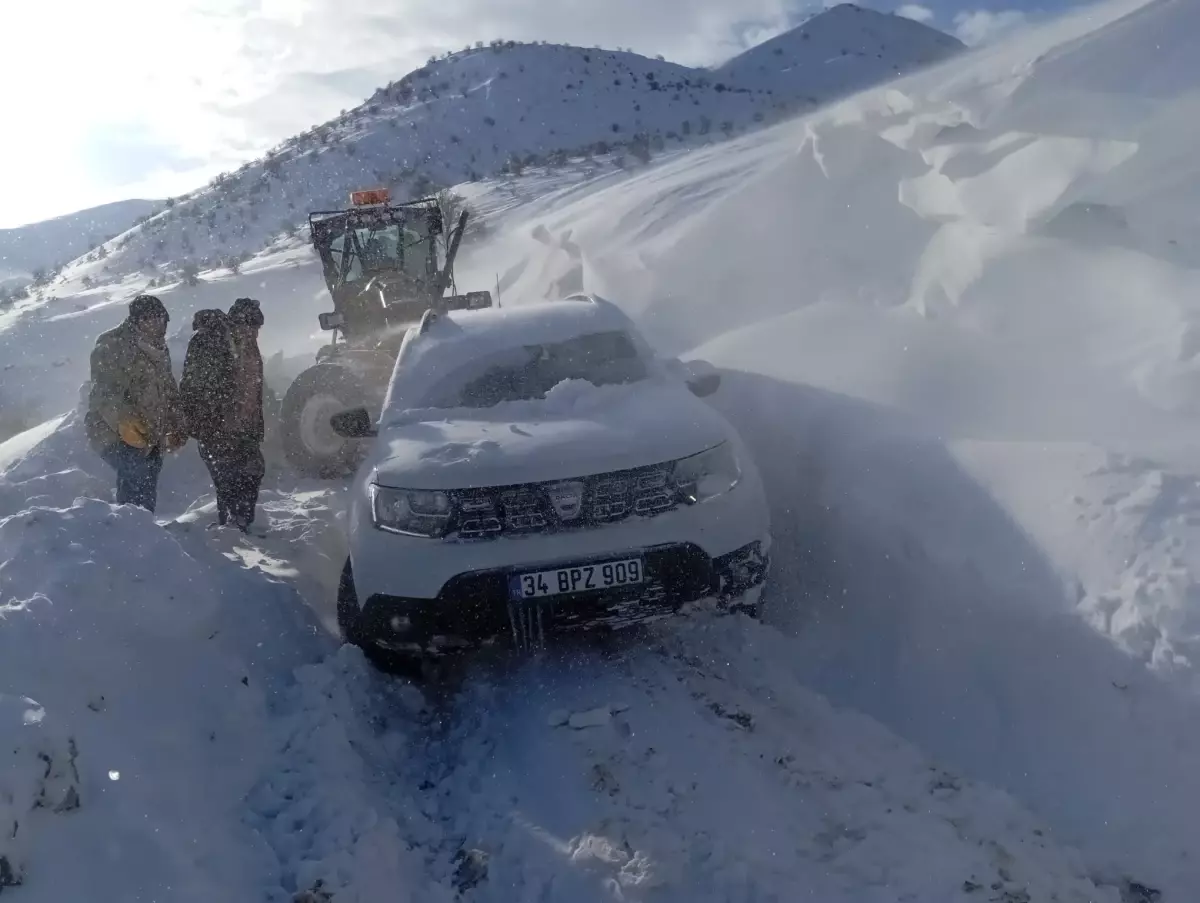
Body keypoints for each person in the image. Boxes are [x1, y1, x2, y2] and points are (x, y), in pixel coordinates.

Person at [84, 294, 186, 512]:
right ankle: (132, 525)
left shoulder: (158, 347)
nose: (157, 325)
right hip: (112, 431)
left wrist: (176, 423)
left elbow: (168, 389)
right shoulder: (113, 345)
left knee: (147, 479)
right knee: (137, 474)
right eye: (150, 319)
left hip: (149, 433)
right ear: (136, 321)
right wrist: (124, 419)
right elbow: (104, 391)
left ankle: (139, 525)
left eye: (161, 319)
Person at [180, 297, 265, 531]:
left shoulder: (247, 345)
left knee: (252, 472)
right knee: (229, 480)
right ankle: (230, 528)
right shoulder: (211, 341)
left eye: (257, 329)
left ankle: (239, 524)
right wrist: (212, 421)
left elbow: (252, 387)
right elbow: (194, 387)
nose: (254, 333)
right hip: (217, 428)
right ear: (238, 323)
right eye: (251, 327)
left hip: (244, 427)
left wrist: (254, 423)